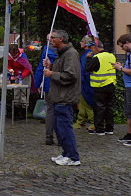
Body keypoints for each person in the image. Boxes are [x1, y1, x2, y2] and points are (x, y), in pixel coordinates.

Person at [43, 29, 81, 166]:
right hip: (59, 96)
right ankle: (66, 153)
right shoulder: (63, 54)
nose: (50, 40)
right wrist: (51, 66)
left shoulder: (70, 54)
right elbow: (62, 71)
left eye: (53, 38)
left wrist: (51, 73)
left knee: (65, 128)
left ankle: (73, 157)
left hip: (65, 97)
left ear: (62, 39)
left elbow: (70, 76)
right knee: (59, 128)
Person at [84, 40, 115, 136]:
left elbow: (88, 68)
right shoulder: (111, 56)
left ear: (96, 48)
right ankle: (109, 129)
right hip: (111, 84)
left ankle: (100, 129)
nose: (91, 50)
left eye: (92, 48)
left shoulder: (97, 57)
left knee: (99, 108)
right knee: (109, 107)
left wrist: (88, 58)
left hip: (100, 86)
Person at [33, 36, 58, 145]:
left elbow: (40, 68)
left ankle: (49, 137)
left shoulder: (46, 52)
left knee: (50, 112)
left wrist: (37, 84)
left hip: (49, 84)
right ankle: (61, 137)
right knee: (59, 112)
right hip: (59, 85)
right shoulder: (61, 53)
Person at [74, 36, 96, 130]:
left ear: (86, 43)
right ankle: (81, 121)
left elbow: (84, 69)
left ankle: (93, 122)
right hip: (84, 81)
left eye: (82, 41)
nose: (80, 42)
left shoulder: (88, 54)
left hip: (86, 82)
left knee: (87, 102)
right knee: (82, 102)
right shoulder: (87, 54)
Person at [8, 44, 33, 120]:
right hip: (17, 75)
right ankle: (15, 112)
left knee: (24, 93)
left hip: (25, 76)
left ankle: (23, 113)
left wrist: (21, 76)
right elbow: (9, 64)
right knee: (16, 93)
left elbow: (27, 68)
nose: (12, 55)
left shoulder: (22, 56)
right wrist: (10, 70)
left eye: (13, 54)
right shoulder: (11, 56)